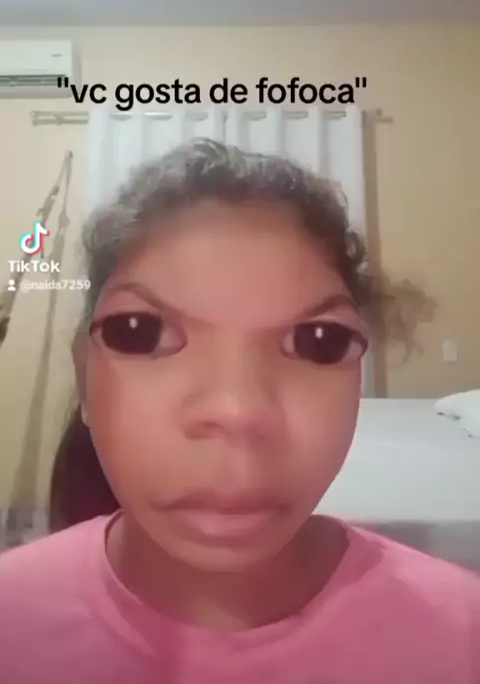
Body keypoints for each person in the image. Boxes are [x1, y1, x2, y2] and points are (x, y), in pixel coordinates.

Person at [0, 138, 478, 683]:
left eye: (319, 341)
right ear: (85, 378)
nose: (238, 410)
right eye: (140, 332)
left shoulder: (461, 635)